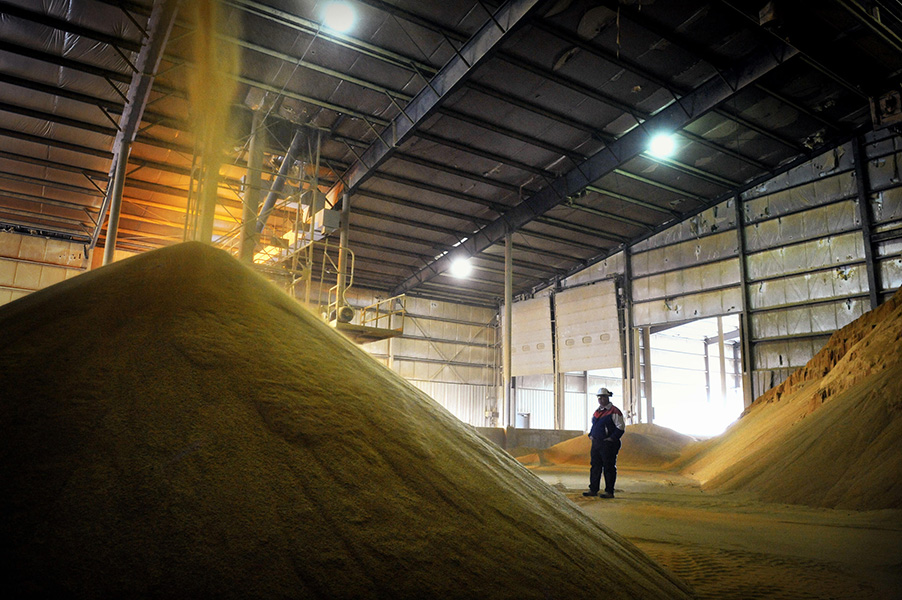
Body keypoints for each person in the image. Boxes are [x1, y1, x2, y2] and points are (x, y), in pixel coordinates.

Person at [583, 387, 625, 498]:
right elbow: (594, 425)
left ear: (608, 398)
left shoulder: (614, 411)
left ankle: (609, 491)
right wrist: (591, 435)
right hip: (596, 443)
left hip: (608, 445)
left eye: (603, 397)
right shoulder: (597, 412)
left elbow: (620, 427)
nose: (601, 399)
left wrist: (611, 439)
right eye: (599, 397)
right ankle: (593, 489)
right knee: (595, 466)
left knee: (609, 467)